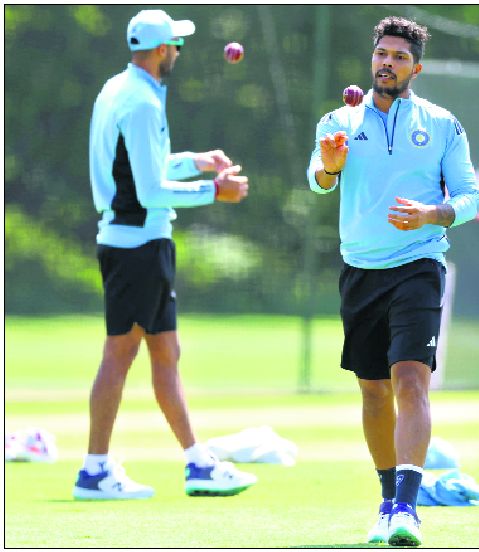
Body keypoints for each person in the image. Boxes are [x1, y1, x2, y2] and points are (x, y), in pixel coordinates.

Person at [307, 16, 479, 546]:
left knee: (410, 379)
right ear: (372, 59)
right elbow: (317, 181)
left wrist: (431, 214)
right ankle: (387, 500)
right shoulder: (337, 120)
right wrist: (330, 165)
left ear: (416, 68)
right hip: (360, 270)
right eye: (382, 54)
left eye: (399, 57)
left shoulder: (443, 125)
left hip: (419, 263)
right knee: (374, 392)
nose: (388, 62)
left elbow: (471, 197)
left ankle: (407, 507)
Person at [74, 9, 256, 500]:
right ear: (161, 50)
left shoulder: (122, 89)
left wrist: (197, 163)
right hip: (136, 244)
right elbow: (152, 190)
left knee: (165, 353)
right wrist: (214, 191)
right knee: (120, 355)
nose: (178, 51)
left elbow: (142, 167)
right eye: (176, 44)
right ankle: (94, 470)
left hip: (141, 242)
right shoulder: (140, 103)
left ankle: (197, 462)